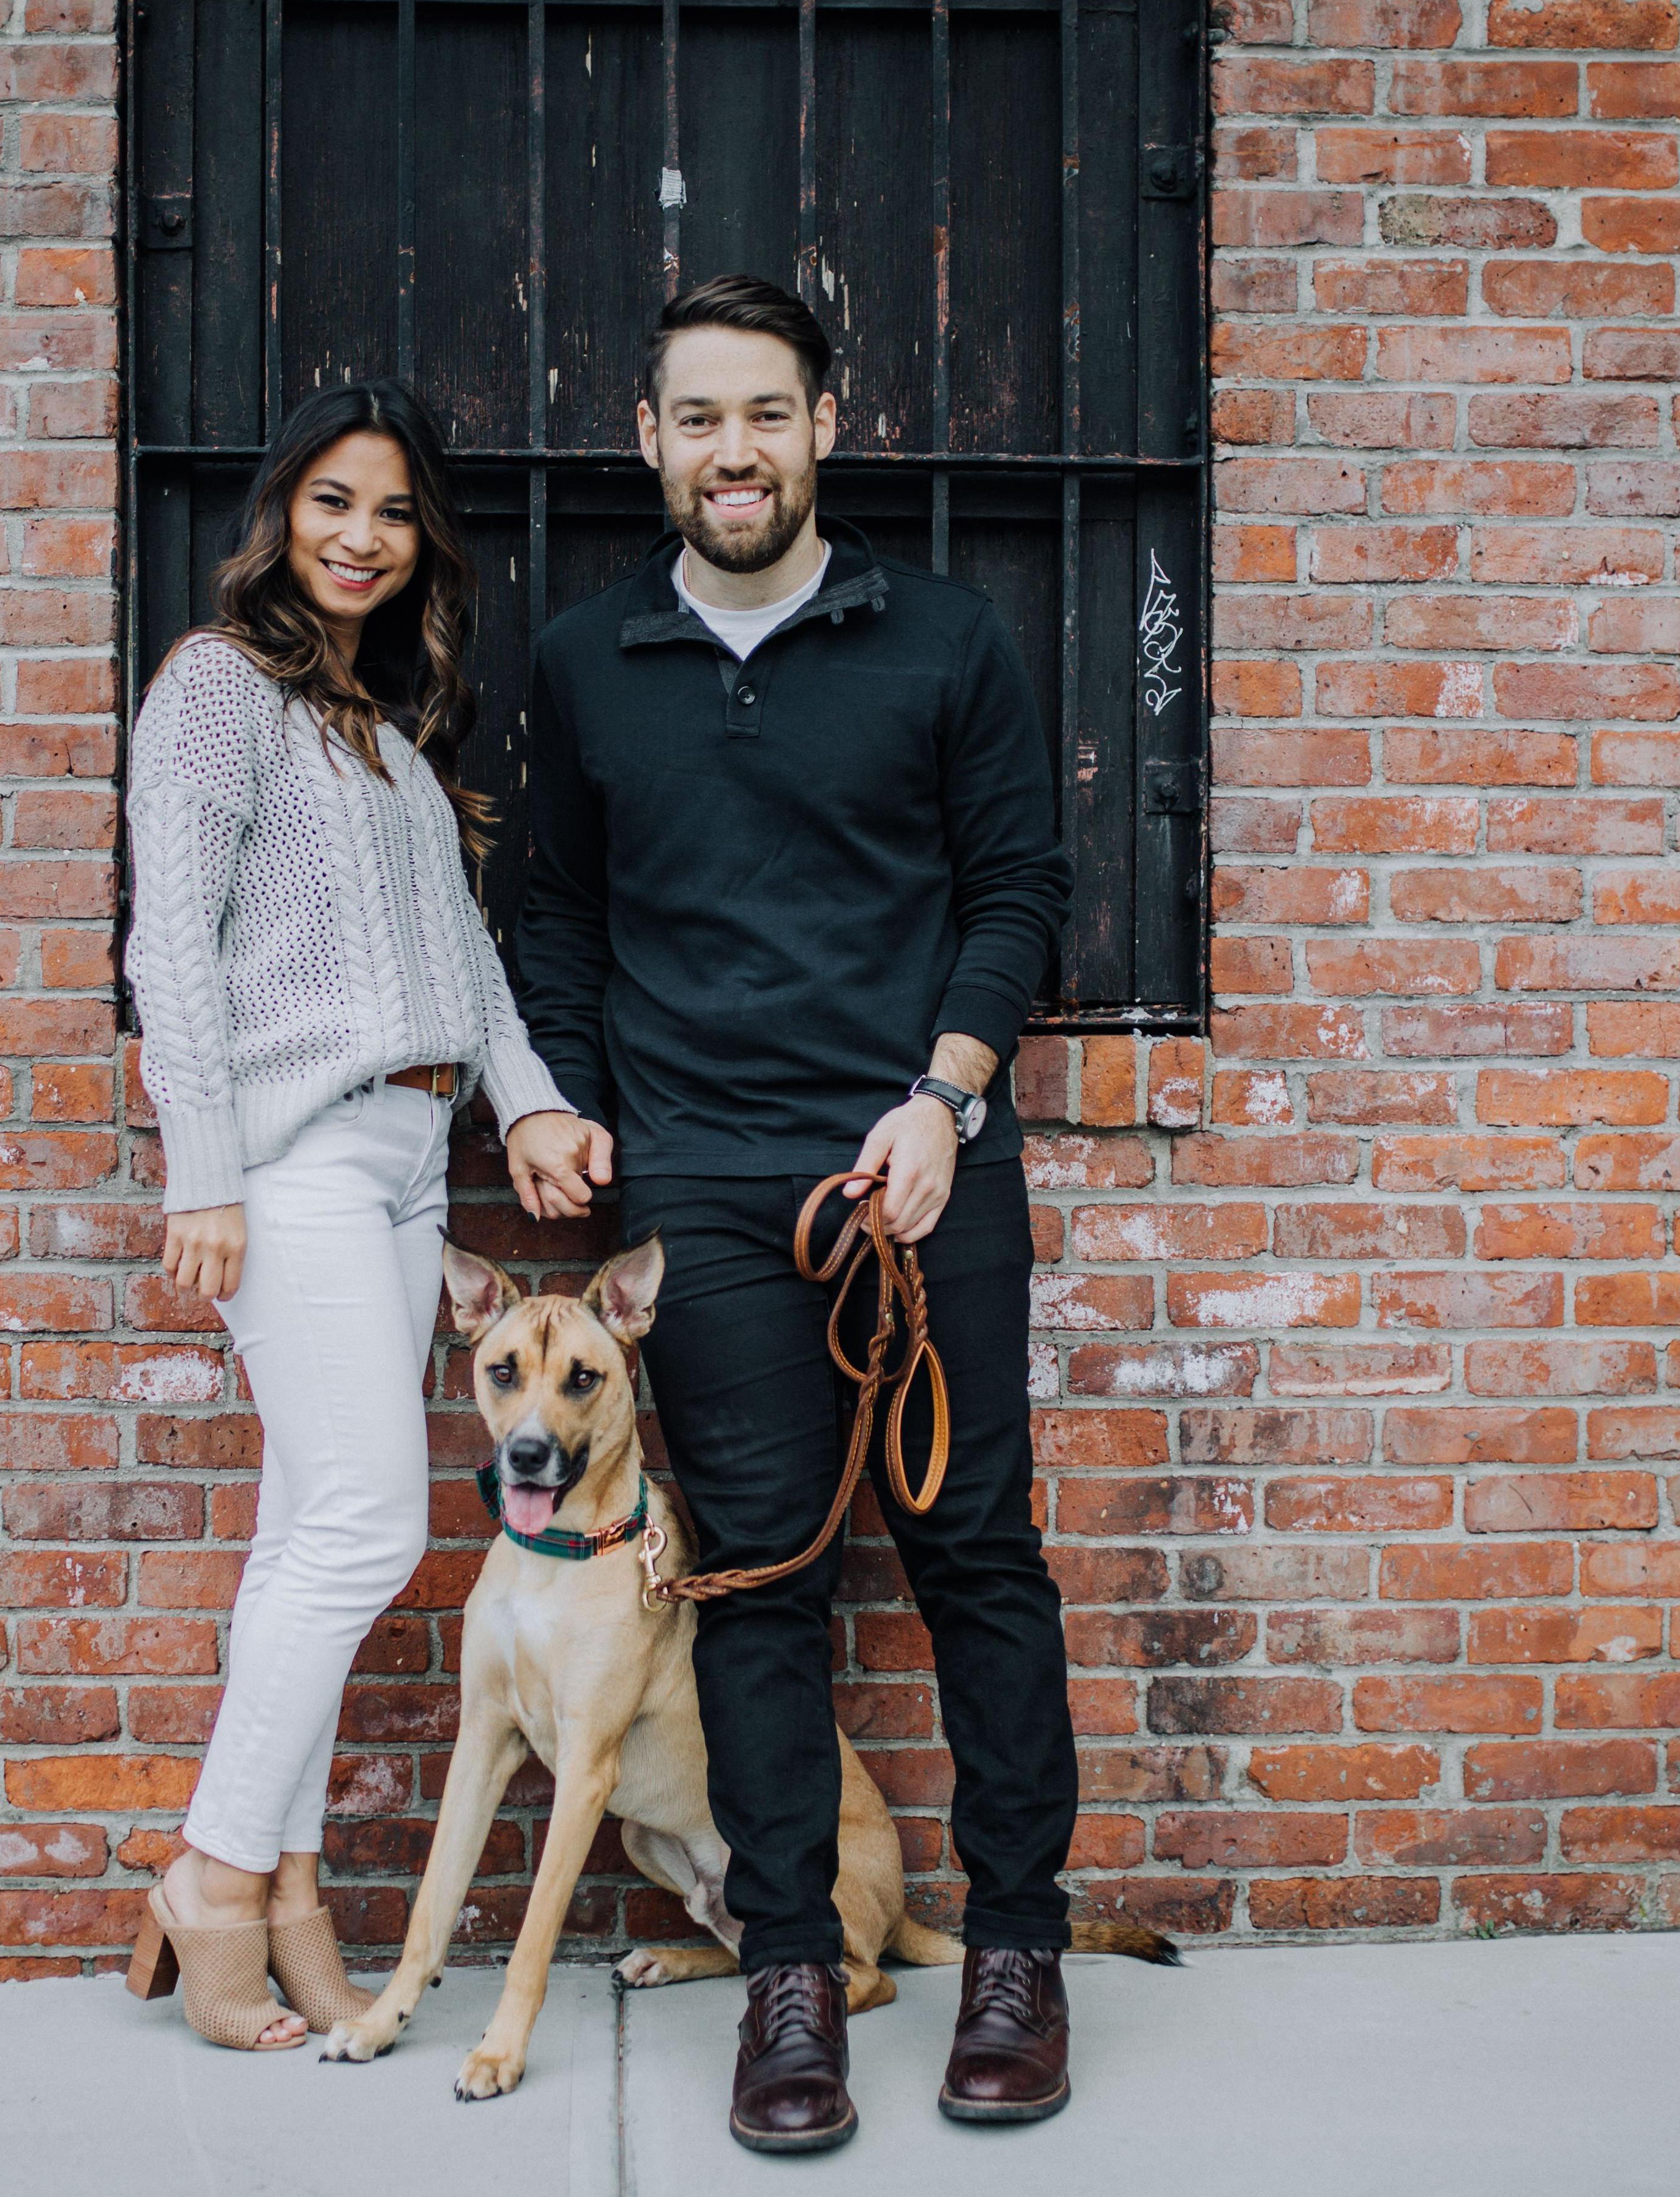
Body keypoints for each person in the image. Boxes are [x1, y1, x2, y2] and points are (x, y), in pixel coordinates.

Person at [517, 276, 1078, 2150]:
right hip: (698, 1179)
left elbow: (1017, 890)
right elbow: (557, 912)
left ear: (825, 426)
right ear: (649, 440)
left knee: (972, 1554)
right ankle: (786, 1974)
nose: (733, 449)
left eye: (766, 411)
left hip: (914, 1168)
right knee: (757, 1581)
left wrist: (946, 1095)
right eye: (697, 416)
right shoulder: (586, 657)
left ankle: (1017, 1951)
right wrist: (559, 1097)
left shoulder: (944, 640)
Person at [122, 381, 604, 2051]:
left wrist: (525, 1100)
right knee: (366, 1532)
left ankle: (293, 1896)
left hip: (411, 1159)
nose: (362, 536)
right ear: (280, 513)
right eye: (333, 500)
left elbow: (468, 967)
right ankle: (210, 1878)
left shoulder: (388, 742)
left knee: (300, 1537)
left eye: (395, 512)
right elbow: (171, 945)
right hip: (300, 1160)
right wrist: (202, 1167)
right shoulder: (216, 690)